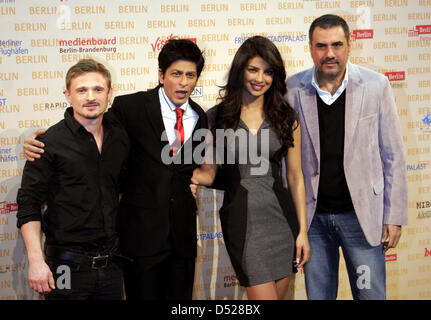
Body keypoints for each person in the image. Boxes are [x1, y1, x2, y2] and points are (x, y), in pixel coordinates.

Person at [22, 39, 208, 300]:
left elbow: (188, 168)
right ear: (161, 75)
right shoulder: (129, 108)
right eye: (177, 74)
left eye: (191, 75)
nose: (184, 82)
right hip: (137, 243)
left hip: (180, 242)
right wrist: (34, 140)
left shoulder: (200, 116)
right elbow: (86, 122)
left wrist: (193, 180)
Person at [285, 14, 408, 300]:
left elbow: (393, 155)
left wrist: (394, 215)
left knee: (370, 296)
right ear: (310, 47)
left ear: (350, 45)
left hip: (362, 220)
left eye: (337, 45)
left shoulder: (377, 86)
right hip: (313, 222)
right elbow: (286, 164)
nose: (329, 53)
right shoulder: (292, 90)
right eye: (321, 46)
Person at [190, 36, 310, 300]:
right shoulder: (217, 118)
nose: (260, 78)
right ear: (240, 70)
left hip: (281, 222)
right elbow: (208, 172)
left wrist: (302, 232)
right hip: (242, 224)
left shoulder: (286, 118)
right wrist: (182, 176)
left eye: (268, 72)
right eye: (253, 69)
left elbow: (295, 176)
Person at [16, 59, 130, 299]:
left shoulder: (119, 135)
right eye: (81, 90)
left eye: (98, 89)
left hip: (111, 267)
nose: (90, 96)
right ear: (68, 95)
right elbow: (28, 204)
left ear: (110, 93)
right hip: (65, 268)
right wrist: (36, 261)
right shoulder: (49, 143)